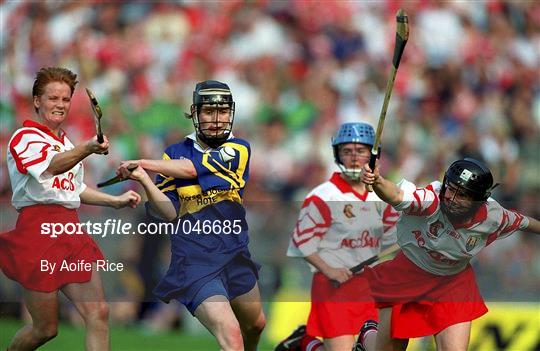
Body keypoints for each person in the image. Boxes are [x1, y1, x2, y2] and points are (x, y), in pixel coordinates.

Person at [117, 80, 266, 351]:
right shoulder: (174, 153)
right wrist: (144, 180)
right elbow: (170, 212)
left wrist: (143, 162)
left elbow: (191, 170)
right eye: (209, 111)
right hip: (195, 262)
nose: (216, 119)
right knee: (232, 338)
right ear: (195, 113)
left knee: (256, 325)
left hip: (234, 254)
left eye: (222, 112)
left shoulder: (238, 149)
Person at [0, 67, 141, 351]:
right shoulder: (24, 137)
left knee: (99, 312)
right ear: (37, 101)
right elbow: (52, 167)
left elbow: (73, 190)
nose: (60, 105)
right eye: (53, 98)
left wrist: (115, 200)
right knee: (45, 329)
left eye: (65, 99)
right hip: (37, 232)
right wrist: (87, 147)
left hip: (70, 229)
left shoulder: (65, 143)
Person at [361, 157, 540, 351]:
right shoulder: (430, 200)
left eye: (463, 195)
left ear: (480, 200)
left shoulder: (495, 217)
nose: (453, 199)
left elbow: (525, 222)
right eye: (452, 189)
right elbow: (395, 195)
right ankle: (367, 335)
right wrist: (377, 180)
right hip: (408, 275)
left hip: (453, 284)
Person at [276, 123, 399, 351]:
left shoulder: (383, 195)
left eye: (361, 151)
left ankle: (305, 344)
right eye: (347, 151)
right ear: (337, 154)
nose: (354, 157)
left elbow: (396, 236)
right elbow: (302, 243)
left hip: (369, 287)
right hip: (333, 288)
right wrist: (329, 270)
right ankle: (305, 344)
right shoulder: (324, 196)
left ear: (373, 156)